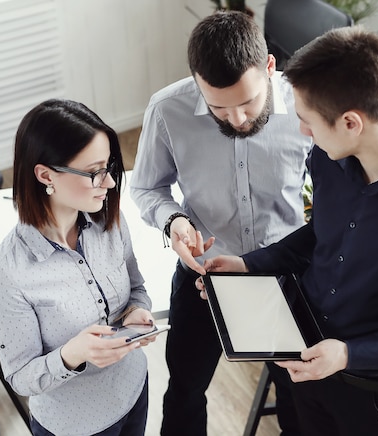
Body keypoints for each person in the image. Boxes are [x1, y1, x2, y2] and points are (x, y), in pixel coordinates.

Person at [197, 26, 378, 435]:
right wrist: (250, 264)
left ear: (351, 122)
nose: (302, 131)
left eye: (307, 121)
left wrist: (349, 354)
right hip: (307, 353)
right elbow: (321, 234)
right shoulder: (328, 155)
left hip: (372, 389)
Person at [129, 11, 313, 436]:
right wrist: (172, 219)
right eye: (218, 107)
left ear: (270, 68)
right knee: (185, 390)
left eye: (248, 102)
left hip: (286, 275)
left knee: (298, 395)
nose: (236, 119)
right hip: (204, 276)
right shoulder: (167, 110)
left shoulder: (307, 104)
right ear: (197, 84)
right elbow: (146, 189)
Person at [0, 99, 158, 436]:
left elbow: (137, 288)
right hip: (75, 426)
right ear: (46, 175)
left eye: (109, 167)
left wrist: (137, 311)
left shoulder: (110, 222)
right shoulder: (6, 274)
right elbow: (20, 377)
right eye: (94, 172)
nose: (109, 183)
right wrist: (72, 354)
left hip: (134, 391)